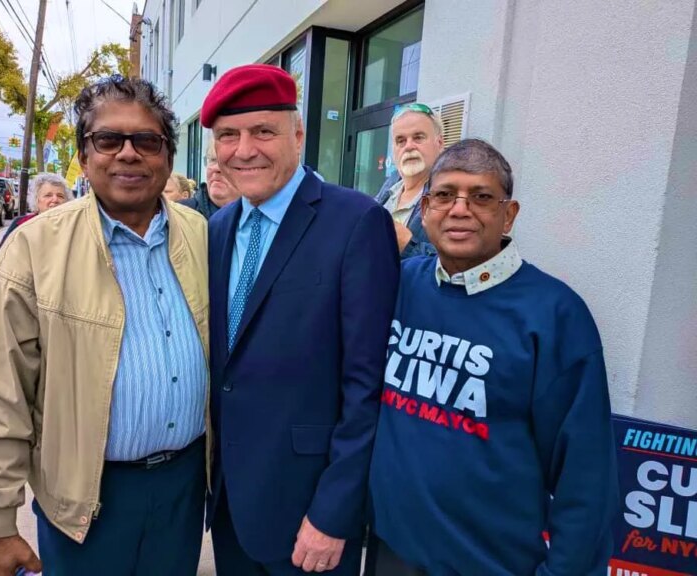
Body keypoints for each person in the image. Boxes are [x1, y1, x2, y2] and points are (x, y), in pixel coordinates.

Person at [0, 75, 210, 576]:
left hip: (184, 488)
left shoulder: (200, 233)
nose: (128, 153)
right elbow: (0, 394)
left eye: (147, 140)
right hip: (86, 500)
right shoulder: (35, 248)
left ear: (167, 157)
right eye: (108, 139)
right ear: (84, 153)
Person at [366, 139, 618, 576]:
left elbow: (586, 477)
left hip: (491, 564)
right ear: (425, 208)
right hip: (390, 551)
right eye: (445, 195)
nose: (459, 209)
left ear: (509, 214)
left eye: (481, 197)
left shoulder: (554, 315)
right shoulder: (399, 284)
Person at [202, 64, 400, 575]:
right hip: (231, 506)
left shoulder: (357, 222)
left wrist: (334, 512)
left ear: (297, 135)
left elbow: (368, 385)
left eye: (262, 131)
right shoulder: (217, 229)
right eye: (228, 135)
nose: (244, 150)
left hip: (309, 512)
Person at [374, 103, 444, 258]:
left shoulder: (452, 197)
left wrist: (407, 245)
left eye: (418, 137)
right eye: (401, 140)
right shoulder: (391, 187)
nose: (409, 146)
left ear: (439, 144)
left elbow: (460, 265)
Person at [0, 172, 74, 261]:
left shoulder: (73, 225)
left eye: (60, 196)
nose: (55, 199)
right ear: (36, 200)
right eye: (48, 195)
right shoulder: (21, 224)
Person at [180, 137, 241, 219]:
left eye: (228, 162)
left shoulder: (256, 219)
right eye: (213, 160)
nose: (216, 168)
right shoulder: (179, 215)